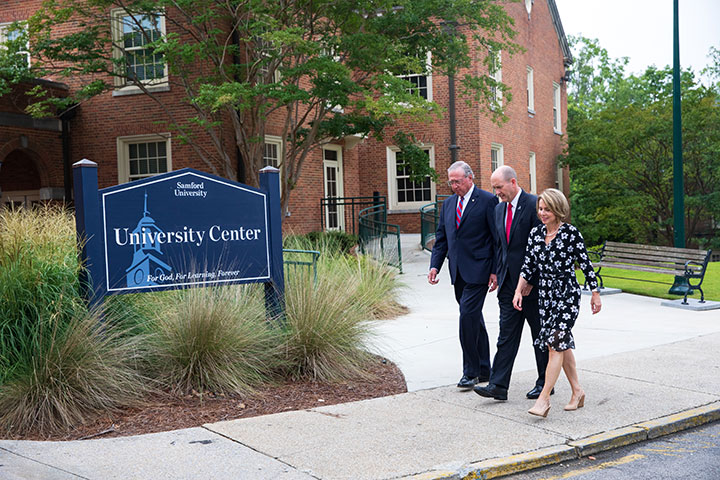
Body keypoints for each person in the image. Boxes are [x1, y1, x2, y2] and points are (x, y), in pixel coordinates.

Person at [513, 188, 601, 417]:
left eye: (547, 209)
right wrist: (518, 291)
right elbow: (528, 265)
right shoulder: (535, 234)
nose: (542, 213)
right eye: (540, 209)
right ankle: (578, 392)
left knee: (554, 344)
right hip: (546, 297)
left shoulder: (571, 234)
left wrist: (595, 292)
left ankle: (543, 400)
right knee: (562, 345)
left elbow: (585, 264)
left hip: (567, 296)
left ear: (558, 210)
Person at [474, 166, 549, 402]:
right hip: (508, 285)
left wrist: (530, 281)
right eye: (494, 187)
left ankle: (545, 382)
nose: (496, 192)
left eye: (499, 187)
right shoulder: (498, 210)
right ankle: (498, 385)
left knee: (539, 335)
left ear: (513, 182)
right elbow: (500, 247)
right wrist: (496, 273)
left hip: (532, 287)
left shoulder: (535, 205)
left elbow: (542, 248)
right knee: (506, 335)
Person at [428, 161, 498, 390]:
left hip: (479, 270)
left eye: (457, 181)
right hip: (457, 271)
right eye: (451, 182)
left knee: (467, 316)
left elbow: (497, 239)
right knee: (474, 320)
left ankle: (470, 372)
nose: (454, 185)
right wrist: (434, 266)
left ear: (470, 178)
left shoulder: (488, 200)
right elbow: (443, 239)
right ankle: (485, 369)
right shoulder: (448, 205)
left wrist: (495, 271)